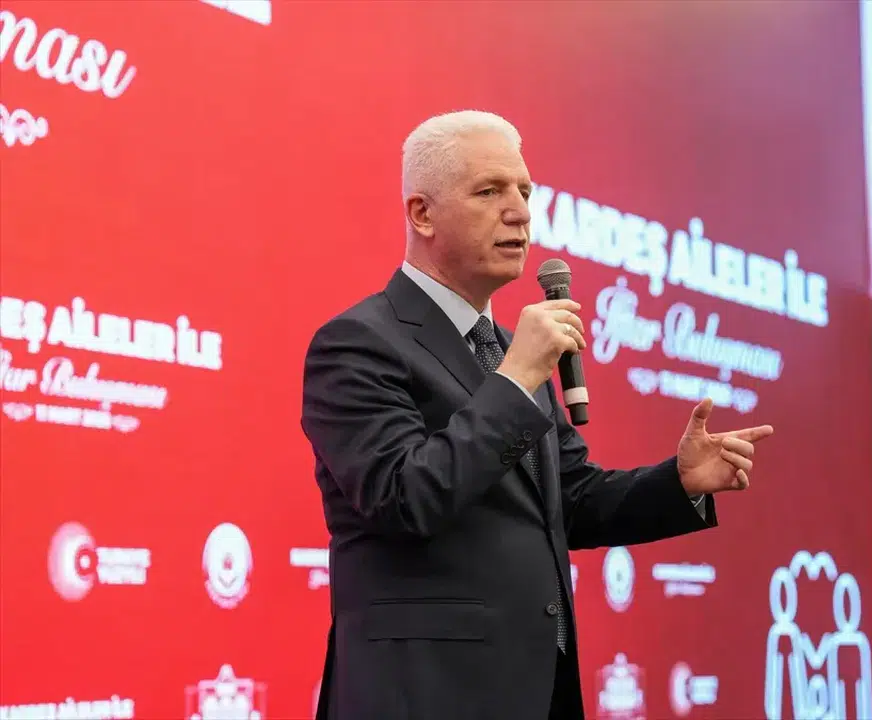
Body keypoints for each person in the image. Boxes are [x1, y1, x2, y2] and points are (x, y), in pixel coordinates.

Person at [299, 110, 773, 720]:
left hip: (536, 692)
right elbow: (404, 496)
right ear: (422, 214)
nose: (520, 212)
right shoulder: (358, 344)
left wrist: (678, 483)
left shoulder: (508, 351)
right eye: (489, 191)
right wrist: (517, 377)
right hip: (424, 694)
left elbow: (569, 501)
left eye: (524, 191)